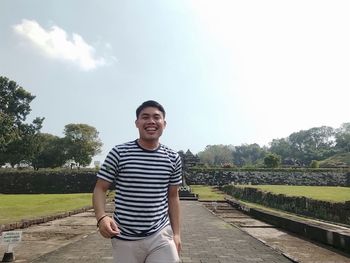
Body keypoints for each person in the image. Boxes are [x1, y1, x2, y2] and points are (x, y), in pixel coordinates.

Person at [93, 100, 182, 263]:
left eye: (157, 117)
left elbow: (173, 196)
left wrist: (176, 234)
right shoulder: (118, 153)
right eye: (145, 117)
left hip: (160, 234)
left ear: (164, 123)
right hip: (123, 235)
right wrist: (101, 217)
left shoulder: (173, 158)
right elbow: (100, 188)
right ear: (137, 123)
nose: (151, 122)